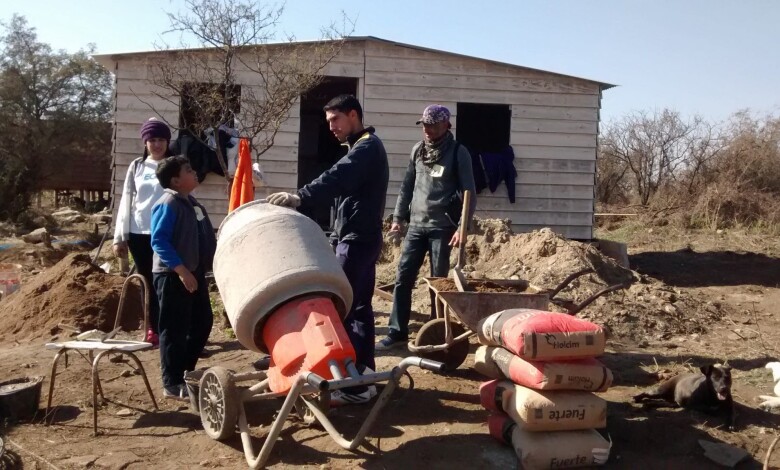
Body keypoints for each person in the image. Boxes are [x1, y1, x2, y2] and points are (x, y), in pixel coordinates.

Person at [266, 94, 389, 405]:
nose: (331, 127)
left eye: (335, 119)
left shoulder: (366, 148)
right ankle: (363, 377)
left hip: (357, 240)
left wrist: (301, 197)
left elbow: (338, 177)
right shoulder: (359, 147)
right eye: (328, 121)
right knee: (356, 308)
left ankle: (355, 384)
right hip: (356, 237)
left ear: (353, 115)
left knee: (345, 309)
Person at [376, 105, 477, 350]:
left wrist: (462, 227)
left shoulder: (458, 152)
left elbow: (469, 193)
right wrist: (398, 217)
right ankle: (397, 332)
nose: (427, 129)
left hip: (442, 228)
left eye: (432, 125)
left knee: (438, 283)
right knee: (403, 278)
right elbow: (407, 187)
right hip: (416, 226)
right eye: (424, 125)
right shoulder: (418, 151)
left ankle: (436, 331)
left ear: (446, 125)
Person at [150, 156, 216, 400]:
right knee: (174, 329)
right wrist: (182, 271)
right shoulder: (168, 203)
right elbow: (159, 240)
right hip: (172, 275)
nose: (194, 172)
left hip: (194, 272)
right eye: (188, 170)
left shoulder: (192, 203)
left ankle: (185, 372)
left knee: (202, 322)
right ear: (175, 181)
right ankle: (172, 382)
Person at [113, 118, 172, 346]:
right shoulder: (137, 166)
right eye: (152, 140)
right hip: (140, 233)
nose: (157, 144)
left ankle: (170, 328)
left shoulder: (175, 164)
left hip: (167, 232)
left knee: (167, 282)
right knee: (146, 282)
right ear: (145, 142)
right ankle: (151, 328)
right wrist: (120, 237)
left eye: (161, 140)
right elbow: (127, 199)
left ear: (168, 141)